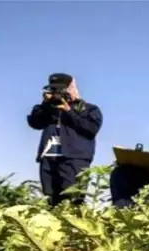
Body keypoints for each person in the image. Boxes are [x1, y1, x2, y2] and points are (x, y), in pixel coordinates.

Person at [26, 73, 103, 207]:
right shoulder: (47, 108)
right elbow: (35, 123)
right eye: (54, 89)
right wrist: (45, 104)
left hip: (74, 158)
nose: (58, 94)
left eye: (61, 90)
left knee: (73, 199)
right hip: (49, 157)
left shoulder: (88, 109)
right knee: (49, 200)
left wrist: (69, 112)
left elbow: (91, 129)